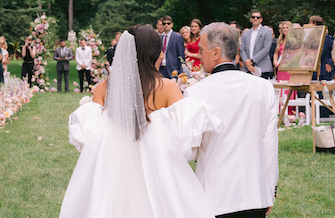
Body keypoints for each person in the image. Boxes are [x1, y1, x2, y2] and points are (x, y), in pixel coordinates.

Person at [60, 25, 224, 218]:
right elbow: (182, 140)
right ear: (150, 54)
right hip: (159, 169)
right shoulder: (168, 88)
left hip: (112, 167)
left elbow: (89, 136)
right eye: (159, 50)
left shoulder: (103, 89)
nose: (162, 55)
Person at [184, 22, 278, 217]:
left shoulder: (195, 93)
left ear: (216, 52)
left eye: (202, 50)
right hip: (255, 195)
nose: (199, 55)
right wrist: (269, 190)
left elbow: (189, 151)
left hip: (215, 198)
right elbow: (269, 144)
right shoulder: (264, 88)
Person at [240, 10, 273, 79]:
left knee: (262, 89)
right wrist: (247, 62)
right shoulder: (246, 33)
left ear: (261, 19)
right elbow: (242, 49)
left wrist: (252, 61)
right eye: (253, 17)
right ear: (250, 19)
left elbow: (266, 49)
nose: (255, 19)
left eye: (257, 17)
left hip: (262, 67)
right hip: (247, 68)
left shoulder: (267, 32)